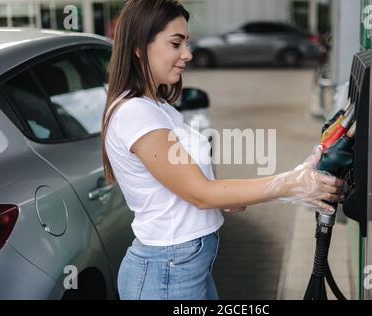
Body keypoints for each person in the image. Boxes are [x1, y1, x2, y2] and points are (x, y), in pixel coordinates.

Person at [101, 0, 344, 300]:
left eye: (186, 43)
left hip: (183, 266)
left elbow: (194, 188)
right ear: (138, 46)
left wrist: (231, 196)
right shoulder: (136, 113)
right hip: (166, 272)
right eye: (175, 44)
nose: (187, 54)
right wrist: (291, 184)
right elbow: (200, 193)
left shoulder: (159, 107)